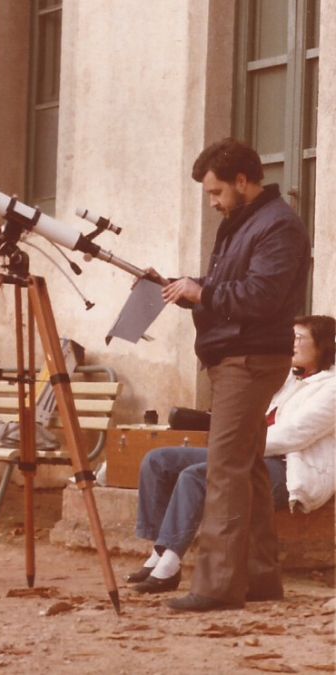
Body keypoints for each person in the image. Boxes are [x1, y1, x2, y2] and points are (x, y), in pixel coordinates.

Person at [160, 138, 312, 612]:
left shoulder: (278, 226)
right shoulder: (244, 221)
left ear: (243, 181)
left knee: (224, 470)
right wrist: (190, 288)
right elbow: (235, 287)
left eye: (217, 192)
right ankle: (260, 577)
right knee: (245, 468)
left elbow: (261, 296)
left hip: (249, 360)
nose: (213, 202)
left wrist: (202, 294)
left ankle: (217, 586)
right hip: (237, 357)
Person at [131, 315, 335, 595]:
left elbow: (293, 435)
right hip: (247, 452)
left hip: (288, 468)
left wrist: (234, 447)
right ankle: (160, 549)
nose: (292, 344)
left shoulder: (332, 388)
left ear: (323, 346)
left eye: (299, 338)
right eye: (291, 336)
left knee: (197, 475)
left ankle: (170, 562)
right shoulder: (286, 378)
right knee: (159, 461)